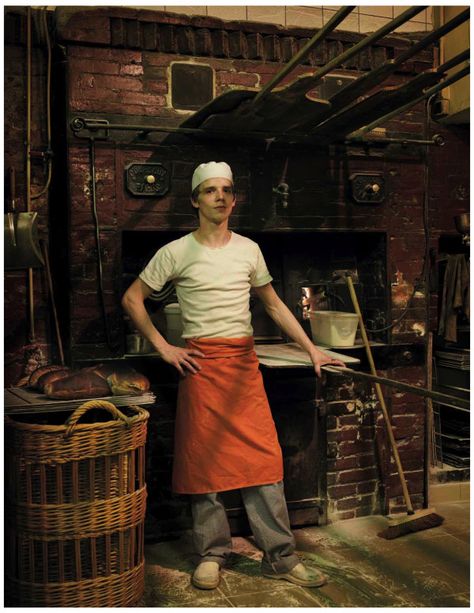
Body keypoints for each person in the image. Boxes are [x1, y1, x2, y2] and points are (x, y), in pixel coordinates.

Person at [122, 161, 345, 590]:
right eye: (210, 191)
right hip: (202, 367)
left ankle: (279, 557)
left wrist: (313, 349)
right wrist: (165, 348)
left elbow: (276, 306)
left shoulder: (248, 250)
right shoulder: (175, 252)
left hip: (243, 367)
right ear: (195, 200)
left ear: (233, 199)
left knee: (263, 460)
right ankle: (212, 554)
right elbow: (132, 298)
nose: (219, 197)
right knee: (203, 463)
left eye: (226, 190)